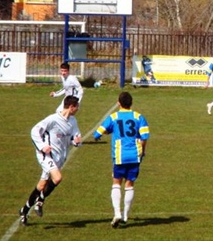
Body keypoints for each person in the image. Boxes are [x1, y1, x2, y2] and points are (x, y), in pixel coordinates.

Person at [19, 96, 82, 226]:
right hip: (46, 156)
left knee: (41, 186)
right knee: (57, 178)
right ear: (71, 107)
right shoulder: (52, 119)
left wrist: (75, 141)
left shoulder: (73, 121)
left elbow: (74, 136)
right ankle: (40, 201)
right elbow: (35, 131)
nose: (78, 109)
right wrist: (42, 146)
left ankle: (24, 211)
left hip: (59, 158)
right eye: (77, 106)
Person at [93, 91, 150, 228]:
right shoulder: (139, 117)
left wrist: (108, 131)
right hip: (135, 155)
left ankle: (117, 213)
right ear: (131, 103)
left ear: (119, 103)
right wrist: (142, 152)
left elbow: (97, 133)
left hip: (119, 156)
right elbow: (144, 137)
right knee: (129, 184)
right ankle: (125, 215)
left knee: (116, 183)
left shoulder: (114, 117)